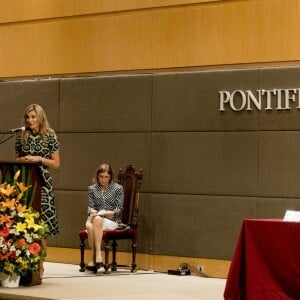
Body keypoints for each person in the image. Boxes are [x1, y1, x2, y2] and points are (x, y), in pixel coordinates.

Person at [15, 104, 60, 236]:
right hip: (24, 183)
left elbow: (56, 163)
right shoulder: (20, 135)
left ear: (40, 117)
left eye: (33, 117)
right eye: (27, 117)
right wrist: (24, 160)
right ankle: (27, 255)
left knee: (41, 225)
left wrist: (39, 159)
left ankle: (42, 256)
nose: (30, 120)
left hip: (42, 184)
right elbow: (16, 160)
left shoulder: (50, 135)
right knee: (23, 223)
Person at [85, 163, 124, 271]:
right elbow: (90, 207)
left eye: (106, 177)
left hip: (111, 220)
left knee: (94, 222)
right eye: (101, 177)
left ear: (111, 177)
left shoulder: (117, 188)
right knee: (90, 225)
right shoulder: (92, 189)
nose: (103, 179)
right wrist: (92, 211)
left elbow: (119, 209)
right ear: (97, 176)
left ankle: (96, 256)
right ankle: (97, 257)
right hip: (96, 218)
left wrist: (109, 212)